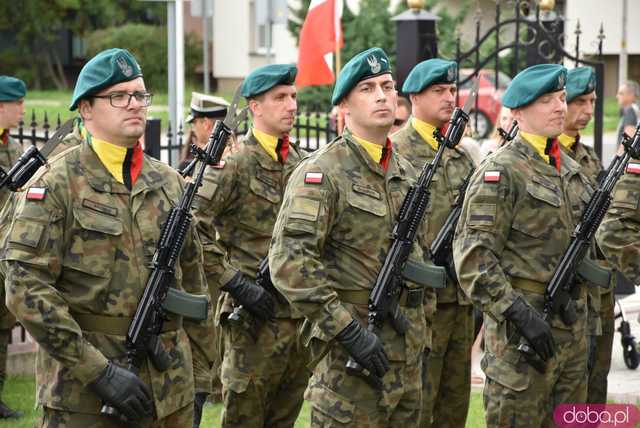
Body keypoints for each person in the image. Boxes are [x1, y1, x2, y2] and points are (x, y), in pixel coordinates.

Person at [0, 48, 216, 427]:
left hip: (169, 390)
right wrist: (97, 371)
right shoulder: (55, 184)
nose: (134, 104)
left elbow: (193, 283)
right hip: (85, 396)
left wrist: (198, 379)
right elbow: (24, 286)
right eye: (118, 96)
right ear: (86, 109)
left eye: (140, 94)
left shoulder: (168, 183)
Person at [269, 47, 435, 427]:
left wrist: (421, 331)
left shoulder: (408, 173)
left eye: (387, 86)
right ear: (345, 103)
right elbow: (290, 262)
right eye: (367, 88)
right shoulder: (322, 173)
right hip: (350, 361)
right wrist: (346, 329)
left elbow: (420, 261)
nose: (381, 95)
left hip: (406, 358)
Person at [453, 64, 594, 427]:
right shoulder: (501, 172)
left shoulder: (571, 172)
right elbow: (473, 258)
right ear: (518, 111)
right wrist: (516, 312)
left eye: (562, 98)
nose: (560, 107)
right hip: (521, 342)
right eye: (547, 100)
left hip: (571, 336)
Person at [191, 63, 310, 428]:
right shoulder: (235, 165)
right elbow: (192, 225)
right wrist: (234, 281)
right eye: (279, 98)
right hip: (252, 320)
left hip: (298, 317)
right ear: (255, 107)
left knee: (284, 417)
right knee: (244, 418)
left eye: (292, 97)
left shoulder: (305, 165)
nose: (290, 105)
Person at [391, 58, 475, 428]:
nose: (449, 97)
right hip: (420, 306)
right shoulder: (396, 152)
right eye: (439, 91)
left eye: (452, 90)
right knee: (418, 409)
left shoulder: (459, 157)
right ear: (414, 97)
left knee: (454, 407)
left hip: (458, 302)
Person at [560, 66, 614, 404]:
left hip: (599, 295)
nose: (588, 111)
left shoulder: (589, 157)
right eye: (579, 102)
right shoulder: (548, 158)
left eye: (592, 101)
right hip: (568, 297)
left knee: (596, 387)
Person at [0, 75, 27, 419]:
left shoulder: (14, 148)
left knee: (3, 328)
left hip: (4, 252)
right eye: (17, 104)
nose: (22, 109)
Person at [178, 92, 231, 174]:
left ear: (206, 123)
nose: (193, 128)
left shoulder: (190, 166)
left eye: (194, 123)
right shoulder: (236, 154)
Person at [616, 80, 640, 152]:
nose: (617, 96)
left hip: (628, 161)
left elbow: (627, 142)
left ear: (631, 95)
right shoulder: (636, 109)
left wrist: (618, 160)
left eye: (621, 93)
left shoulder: (631, 111)